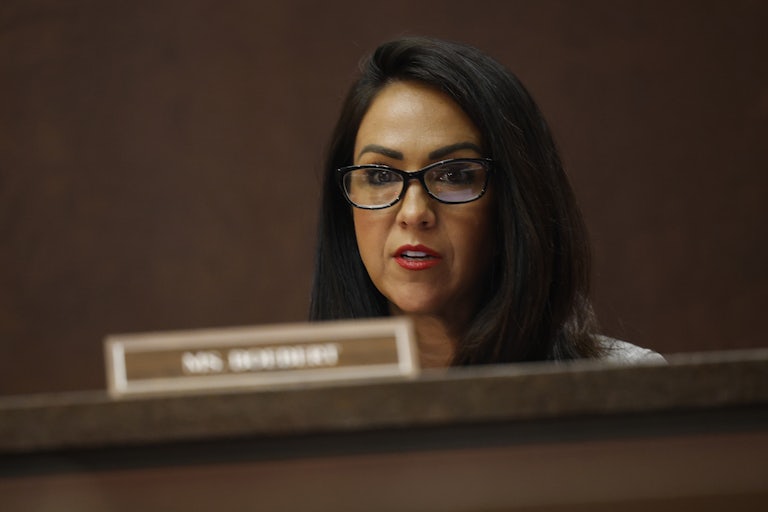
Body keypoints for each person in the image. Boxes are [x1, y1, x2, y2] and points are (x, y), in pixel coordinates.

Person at [309, 36, 664, 367]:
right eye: (381, 176)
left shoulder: (624, 381)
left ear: (513, 202)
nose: (415, 213)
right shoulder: (296, 399)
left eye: (455, 175)